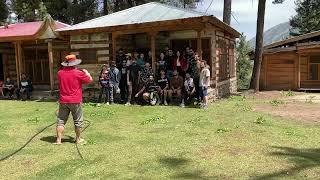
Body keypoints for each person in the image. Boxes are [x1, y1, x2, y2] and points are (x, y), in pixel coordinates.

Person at [55, 54, 93, 145]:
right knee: (78, 120)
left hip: (63, 100)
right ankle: (78, 139)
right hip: (75, 100)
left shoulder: (59, 73)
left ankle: (58, 140)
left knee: (61, 120)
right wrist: (87, 73)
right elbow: (90, 80)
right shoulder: (78, 73)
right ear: (74, 63)